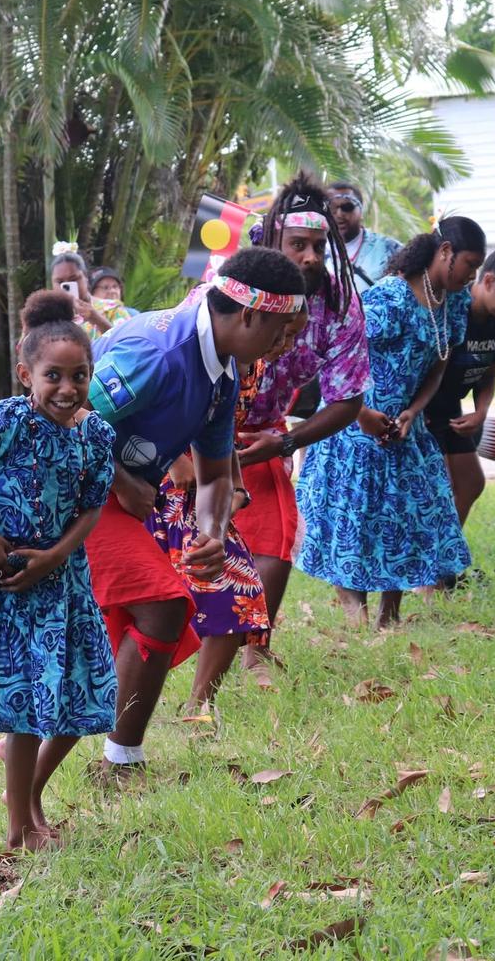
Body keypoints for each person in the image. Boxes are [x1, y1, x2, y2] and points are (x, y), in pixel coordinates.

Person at [83, 246, 305, 775]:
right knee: (159, 604)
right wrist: (121, 481)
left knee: (132, 615)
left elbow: (212, 474)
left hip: (115, 493)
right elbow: (64, 417)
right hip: (66, 488)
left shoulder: (225, 369)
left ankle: (64, 746)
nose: (282, 344)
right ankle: (117, 761)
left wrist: (211, 532)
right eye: (279, 330)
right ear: (249, 314)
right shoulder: (159, 355)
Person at [0, 292, 116, 851]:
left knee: (76, 698)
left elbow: (92, 506)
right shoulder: (10, 421)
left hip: (63, 582)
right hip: (9, 581)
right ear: (25, 373)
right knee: (27, 708)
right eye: (52, 375)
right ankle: (19, 830)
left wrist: (58, 555)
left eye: (79, 375)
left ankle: (29, 800)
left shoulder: (96, 434)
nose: (66, 388)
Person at [296, 217, 486, 628]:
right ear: (446, 252)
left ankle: (390, 615)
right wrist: (361, 413)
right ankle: (354, 612)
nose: (472, 275)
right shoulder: (390, 298)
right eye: (469, 264)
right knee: (354, 518)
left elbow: (439, 362)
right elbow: (338, 359)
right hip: (355, 420)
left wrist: (414, 411)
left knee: (403, 518)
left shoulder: (453, 301)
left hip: (402, 426)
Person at [235, 173, 371, 678]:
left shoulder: (338, 304)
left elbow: (349, 398)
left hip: (265, 432)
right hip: (198, 426)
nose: (311, 256)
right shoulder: (232, 283)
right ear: (274, 241)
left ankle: (256, 650)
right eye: (298, 245)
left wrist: (285, 441)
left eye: (319, 245)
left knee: (275, 541)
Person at [146, 304, 308, 713]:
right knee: (144, 603)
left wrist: (233, 487)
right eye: (280, 333)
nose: (283, 345)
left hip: (202, 486)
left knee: (236, 589)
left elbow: (219, 435)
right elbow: (121, 417)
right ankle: (120, 713)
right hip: (150, 483)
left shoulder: (247, 368)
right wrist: (173, 461)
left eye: (293, 337)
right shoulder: (183, 348)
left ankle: (198, 708)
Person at [425, 233, 495, 528]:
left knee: (471, 483)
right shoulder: (453, 309)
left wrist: (481, 411)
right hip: (424, 410)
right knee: (438, 491)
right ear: (488, 281)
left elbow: (490, 373)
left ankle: (445, 564)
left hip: (450, 411)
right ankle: (432, 569)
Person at [326, 181, 401, 293]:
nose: (339, 214)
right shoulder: (313, 250)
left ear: (361, 211)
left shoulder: (389, 250)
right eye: (331, 208)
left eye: (347, 207)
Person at [51, 246, 131, 340]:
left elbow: (129, 344)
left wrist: (96, 319)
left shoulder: (113, 310)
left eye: (74, 279)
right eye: (60, 282)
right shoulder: (47, 317)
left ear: (86, 278)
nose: (67, 286)